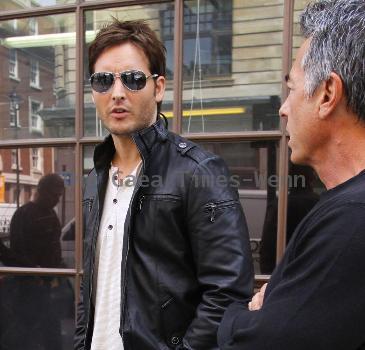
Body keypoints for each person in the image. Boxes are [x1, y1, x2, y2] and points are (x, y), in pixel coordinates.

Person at [74, 19, 253, 350]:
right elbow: (92, 286)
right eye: (103, 80)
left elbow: (227, 293)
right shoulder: (96, 176)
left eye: (132, 79)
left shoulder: (199, 172)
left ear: (158, 87)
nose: (116, 93)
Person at [218, 1, 365, 349]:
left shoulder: (353, 220)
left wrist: (235, 319)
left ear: (328, 93)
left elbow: (259, 343)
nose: (283, 109)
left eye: (292, 88)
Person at [0, 173, 65, 350]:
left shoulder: (49, 213)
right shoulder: (24, 214)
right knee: (36, 327)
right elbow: (18, 251)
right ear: (42, 191)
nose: (57, 199)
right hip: (30, 282)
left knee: (39, 327)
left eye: (59, 195)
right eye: (54, 195)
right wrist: (34, 271)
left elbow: (53, 245)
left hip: (44, 280)